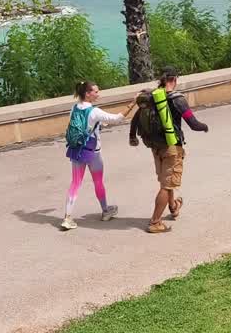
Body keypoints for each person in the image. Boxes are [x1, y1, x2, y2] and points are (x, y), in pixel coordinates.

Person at [130, 67, 209, 233]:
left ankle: (173, 207)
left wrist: (133, 137)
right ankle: (155, 222)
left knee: (166, 180)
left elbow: (136, 118)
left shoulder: (152, 97)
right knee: (166, 185)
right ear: (175, 79)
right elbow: (193, 124)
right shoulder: (177, 99)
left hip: (155, 146)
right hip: (171, 147)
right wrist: (205, 127)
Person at [61, 81, 135, 231]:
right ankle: (105, 211)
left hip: (77, 150)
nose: (98, 94)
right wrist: (133, 103)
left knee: (75, 183)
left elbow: (83, 125)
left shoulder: (74, 108)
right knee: (98, 182)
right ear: (87, 94)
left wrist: (98, 125)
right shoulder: (94, 111)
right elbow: (117, 118)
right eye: (95, 91)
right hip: (93, 152)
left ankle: (67, 218)